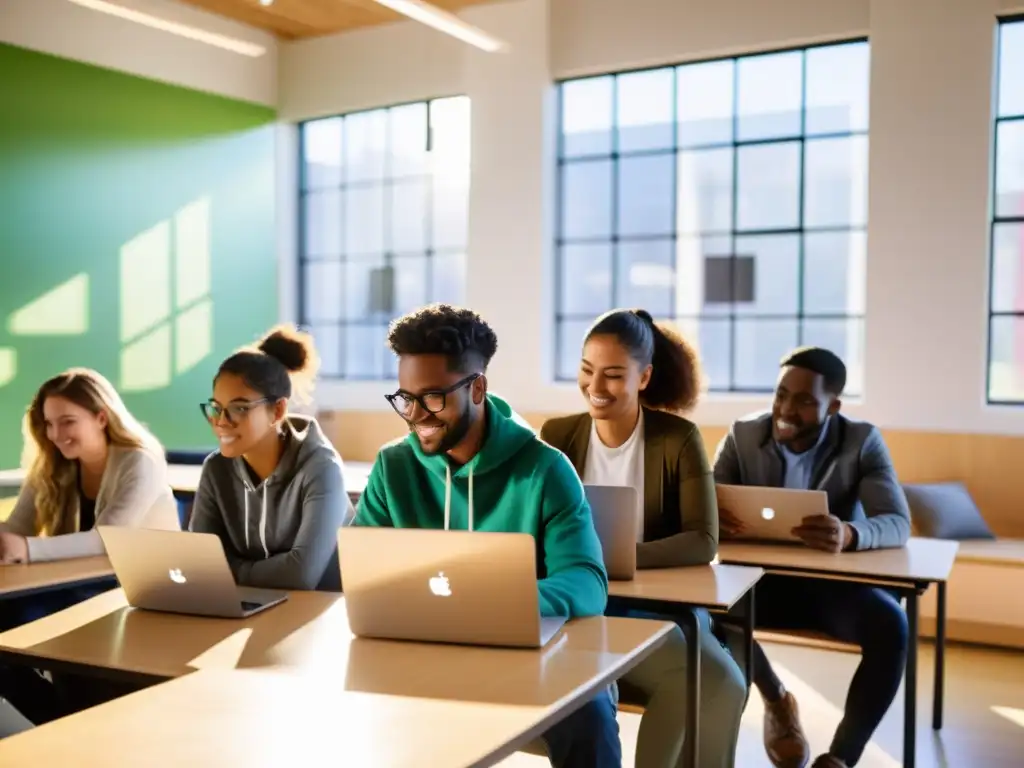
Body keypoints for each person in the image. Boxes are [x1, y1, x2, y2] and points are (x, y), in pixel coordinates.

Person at [352, 304, 620, 768]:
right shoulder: (392, 465)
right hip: (421, 651)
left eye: (433, 397)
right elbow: (359, 566)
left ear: (477, 387)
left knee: (590, 715)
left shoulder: (545, 468)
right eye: (405, 397)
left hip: (532, 657)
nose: (416, 415)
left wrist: (494, 602)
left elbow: (587, 582)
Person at [541, 308, 747, 768]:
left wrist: (624, 557)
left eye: (614, 375)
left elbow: (703, 539)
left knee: (722, 683)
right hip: (580, 601)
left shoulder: (677, 438)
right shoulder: (557, 435)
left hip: (653, 606)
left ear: (645, 376)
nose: (596, 388)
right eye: (587, 371)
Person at [713, 347, 912, 768]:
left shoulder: (862, 441)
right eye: (781, 394)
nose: (786, 409)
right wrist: (710, 510)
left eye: (804, 401)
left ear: (834, 406)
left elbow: (896, 521)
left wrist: (851, 532)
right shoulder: (743, 434)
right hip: (760, 583)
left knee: (891, 626)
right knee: (706, 609)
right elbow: (702, 501)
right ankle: (777, 700)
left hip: (832, 588)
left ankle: (840, 758)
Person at [0, 367, 179, 722]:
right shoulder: (52, 464)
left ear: (101, 417)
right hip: (79, 585)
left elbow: (109, 538)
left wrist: (26, 549)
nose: (55, 435)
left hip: (141, 588)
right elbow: (17, 529)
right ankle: (60, 721)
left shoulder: (139, 459)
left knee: (20, 618)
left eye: (67, 422)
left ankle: (67, 721)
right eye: (48, 424)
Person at [189, 325, 350, 592]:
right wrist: (220, 572)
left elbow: (301, 576)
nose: (221, 422)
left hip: (318, 616)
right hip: (248, 609)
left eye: (239, 408)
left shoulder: (321, 468)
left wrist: (231, 570)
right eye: (216, 408)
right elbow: (203, 565)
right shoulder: (216, 468)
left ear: (277, 410)